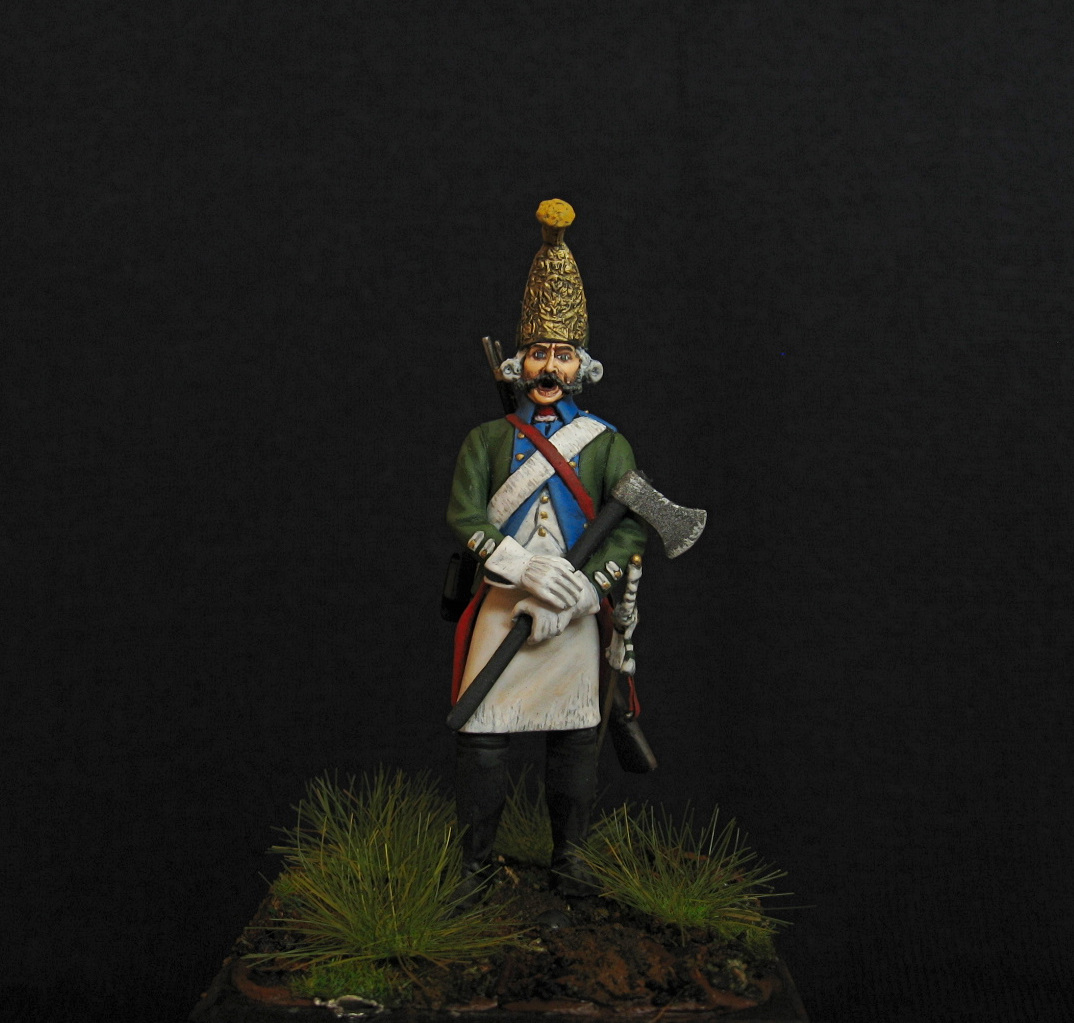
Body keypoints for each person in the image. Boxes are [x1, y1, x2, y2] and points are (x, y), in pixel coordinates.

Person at [447, 199, 645, 898]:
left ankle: (570, 860)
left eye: (563, 354)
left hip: (574, 612)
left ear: (581, 365)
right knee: (481, 736)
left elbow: (629, 528)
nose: (549, 366)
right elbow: (466, 515)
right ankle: (475, 867)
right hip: (506, 601)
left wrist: (588, 589)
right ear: (518, 362)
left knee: (576, 738)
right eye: (539, 352)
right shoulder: (486, 441)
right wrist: (520, 565)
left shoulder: (608, 443)